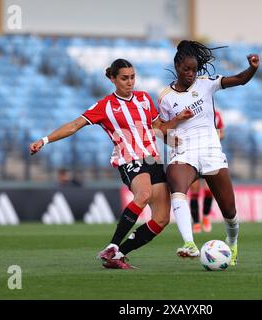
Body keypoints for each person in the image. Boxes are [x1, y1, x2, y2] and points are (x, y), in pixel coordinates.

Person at [30, 58, 193, 269]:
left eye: (133, 77)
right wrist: (44, 140)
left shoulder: (144, 99)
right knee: (142, 195)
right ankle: (113, 245)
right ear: (112, 79)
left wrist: (175, 126)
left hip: (153, 159)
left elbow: (158, 128)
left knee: (161, 219)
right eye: (124, 78)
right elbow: (74, 125)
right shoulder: (105, 106)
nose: (130, 82)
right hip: (129, 160)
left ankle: (118, 254)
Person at [158, 40, 260, 266]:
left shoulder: (206, 84)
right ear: (176, 66)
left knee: (229, 210)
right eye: (186, 69)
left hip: (211, 150)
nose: (191, 74)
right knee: (176, 184)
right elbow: (161, 130)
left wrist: (252, 68)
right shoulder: (165, 97)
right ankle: (189, 243)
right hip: (185, 151)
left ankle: (232, 244)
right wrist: (174, 125)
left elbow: (240, 80)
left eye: (194, 70)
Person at [189, 108, 224, 234]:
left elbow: (222, 133)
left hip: (209, 156)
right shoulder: (193, 113)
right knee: (194, 190)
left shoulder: (217, 114)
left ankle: (206, 216)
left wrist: (213, 139)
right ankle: (196, 222)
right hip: (193, 156)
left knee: (209, 189)